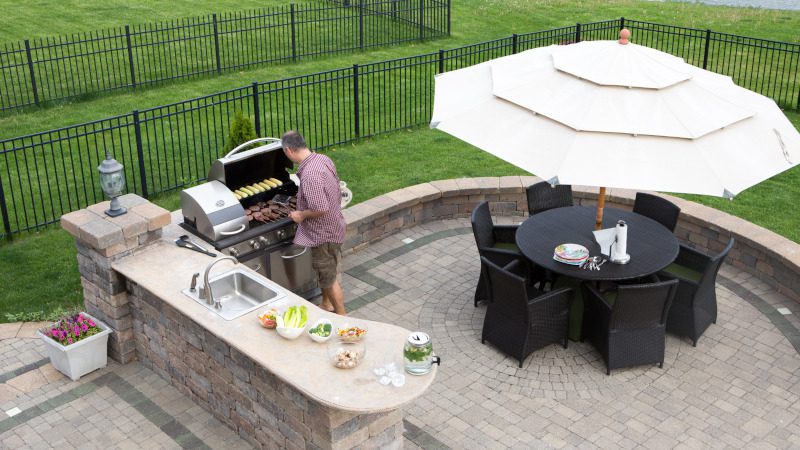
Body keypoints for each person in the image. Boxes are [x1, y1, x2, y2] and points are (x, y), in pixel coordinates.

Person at [281, 131, 347, 315]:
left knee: (329, 278)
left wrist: (301, 215)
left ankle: (343, 318)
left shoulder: (310, 174)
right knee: (326, 271)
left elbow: (320, 208)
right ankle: (327, 304)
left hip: (323, 234)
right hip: (335, 225)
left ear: (289, 150)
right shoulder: (322, 159)